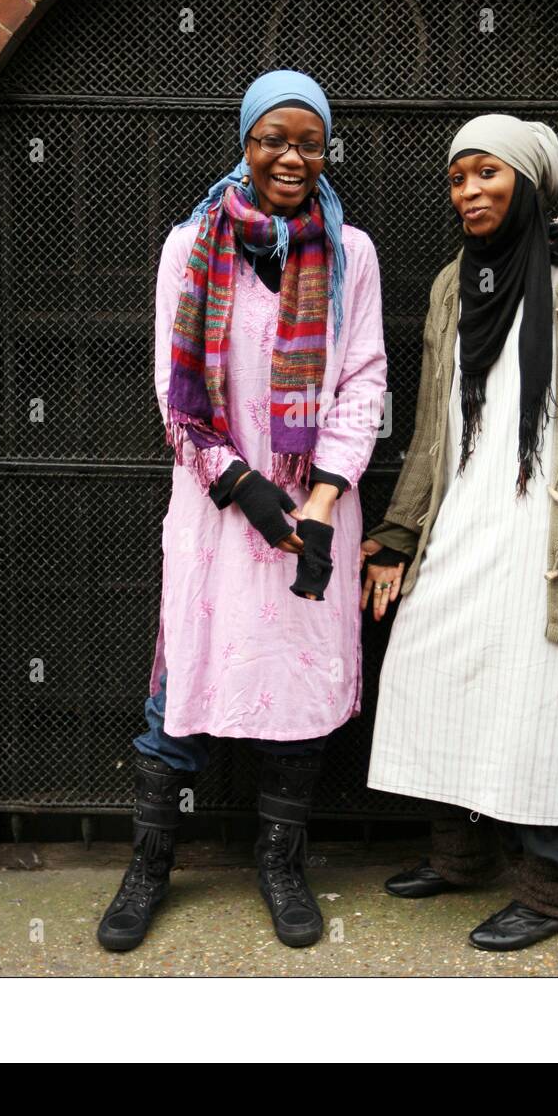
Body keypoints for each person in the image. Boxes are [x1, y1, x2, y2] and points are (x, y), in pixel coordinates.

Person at [360, 115, 558, 952]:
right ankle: (460, 855)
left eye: (486, 175)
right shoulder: (449, 284)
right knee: (437, 664)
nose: (467, 191)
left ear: (529, 182)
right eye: (457, 177)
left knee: (554, 700)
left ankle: (551, 890)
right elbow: (432, 426)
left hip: (557, 525)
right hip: (467, 515)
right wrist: (398, 535)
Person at [97, 70, 386, 953]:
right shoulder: (191, 245)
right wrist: (243, 489)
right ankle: (149, 866)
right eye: (274, 138)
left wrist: (322, 501)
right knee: (183, 685)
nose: (292, 156)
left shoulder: (352, 254)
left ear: (326, 149)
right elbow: (174, 394)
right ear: (246, 143)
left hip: (314, 510)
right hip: (216, 513)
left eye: (309, 140)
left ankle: (281, 865)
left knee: (294, 688)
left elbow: (364, 378)